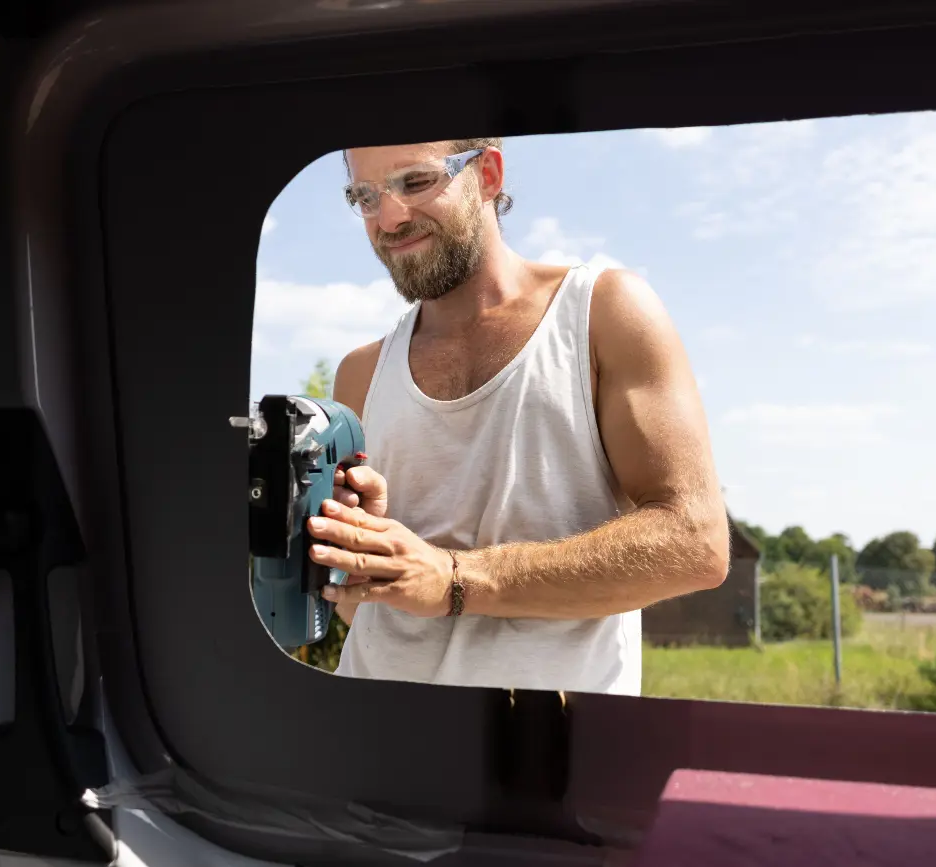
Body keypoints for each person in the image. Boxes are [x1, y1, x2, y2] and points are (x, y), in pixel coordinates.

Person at [306, 137, 729, 695]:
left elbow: (695, 544)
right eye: (365, 195)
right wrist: (369, 562)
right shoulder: (360, 373)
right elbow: (362, 615)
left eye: (415, 182)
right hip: (370, 745)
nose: (389, 216)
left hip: (550, 761)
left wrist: (455, 579)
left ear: (487, 174)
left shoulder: (601, 313)